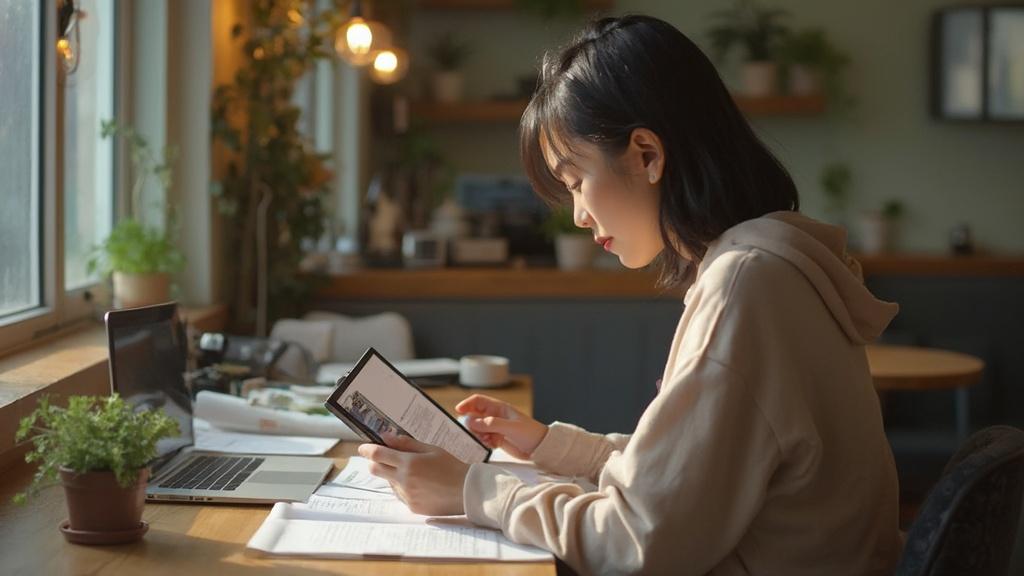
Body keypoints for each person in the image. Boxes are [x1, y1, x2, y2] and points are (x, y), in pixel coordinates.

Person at [358, 14, 902, 575]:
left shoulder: (746, 285)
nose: (578, 215)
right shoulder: (768, 264)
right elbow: (682, 481)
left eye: (576, 182)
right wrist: (550, 446)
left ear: (646, 154)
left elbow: (638, 542)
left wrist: (475, 490)